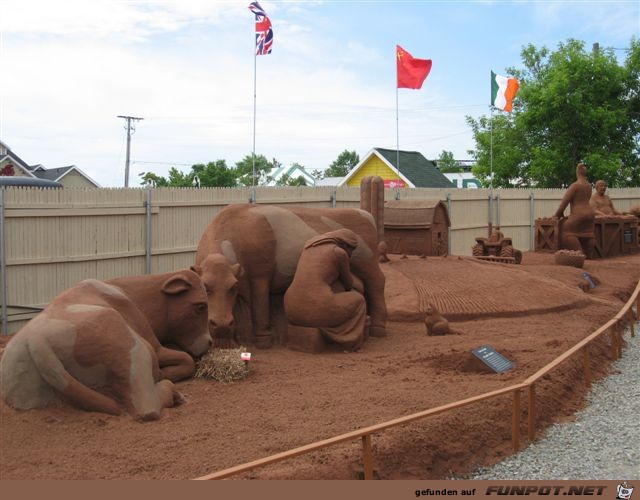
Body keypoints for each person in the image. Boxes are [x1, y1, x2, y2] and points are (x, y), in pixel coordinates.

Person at [284, 228, 367, 349]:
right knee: (359, 300)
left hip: (291, 309)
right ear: (344, 244)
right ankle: (347, 339)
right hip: (317, 308)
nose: (350, 254)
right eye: (351, 249)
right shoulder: (339, 252)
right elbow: (348, 283)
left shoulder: (309, 247)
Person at [553, 162, 596, 257]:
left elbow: (565, 202)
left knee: (567, 231)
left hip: (579, 214)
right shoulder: (589, 186)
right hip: (590, 214)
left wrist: (557, 214)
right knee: (587, 233)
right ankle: (589, 253)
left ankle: (579, 252)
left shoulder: (575, 186)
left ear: (577, 172)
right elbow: (586, 200)